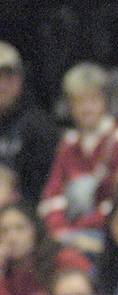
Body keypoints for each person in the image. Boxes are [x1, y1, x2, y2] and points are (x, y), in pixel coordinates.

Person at [38, 62, 118, 255]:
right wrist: (60, 228)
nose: (86, 108)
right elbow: (52, 195)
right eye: (79, 102)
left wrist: (80, 228)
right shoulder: (68, 143)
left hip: (115, 234)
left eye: (93, 100)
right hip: (71, 232)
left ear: (106, 101)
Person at [0, 41, 60, 210]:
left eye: (8, 77)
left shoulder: (39, 127)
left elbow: (48, 187)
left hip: (26, 213)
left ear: (20, 79)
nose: (2, 85)